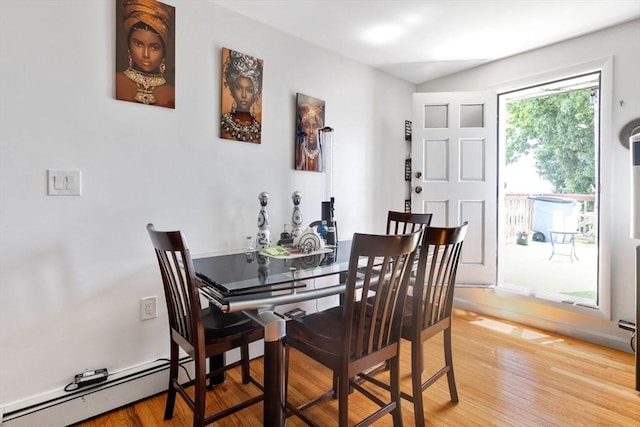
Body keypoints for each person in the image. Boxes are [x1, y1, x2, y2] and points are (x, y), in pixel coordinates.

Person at [116, 0, 175, 109]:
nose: (146, 54)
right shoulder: (116, 82)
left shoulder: (172, 93)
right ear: (129, 45)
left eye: (154, 47)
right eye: (138, 44)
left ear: (163, 51)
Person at [220, 48, 263, 143]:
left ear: (255, 93)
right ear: (232, 89)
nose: (243, 95)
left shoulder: (259, 131)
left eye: (249, 90)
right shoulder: (223, 124)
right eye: (238, 88)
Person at [295, 100, 325, 171]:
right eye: (307, 126)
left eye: (315, 126)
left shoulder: (323, 155)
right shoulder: (298, 154)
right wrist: (301, 164)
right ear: (303, 127)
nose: (311, 131)